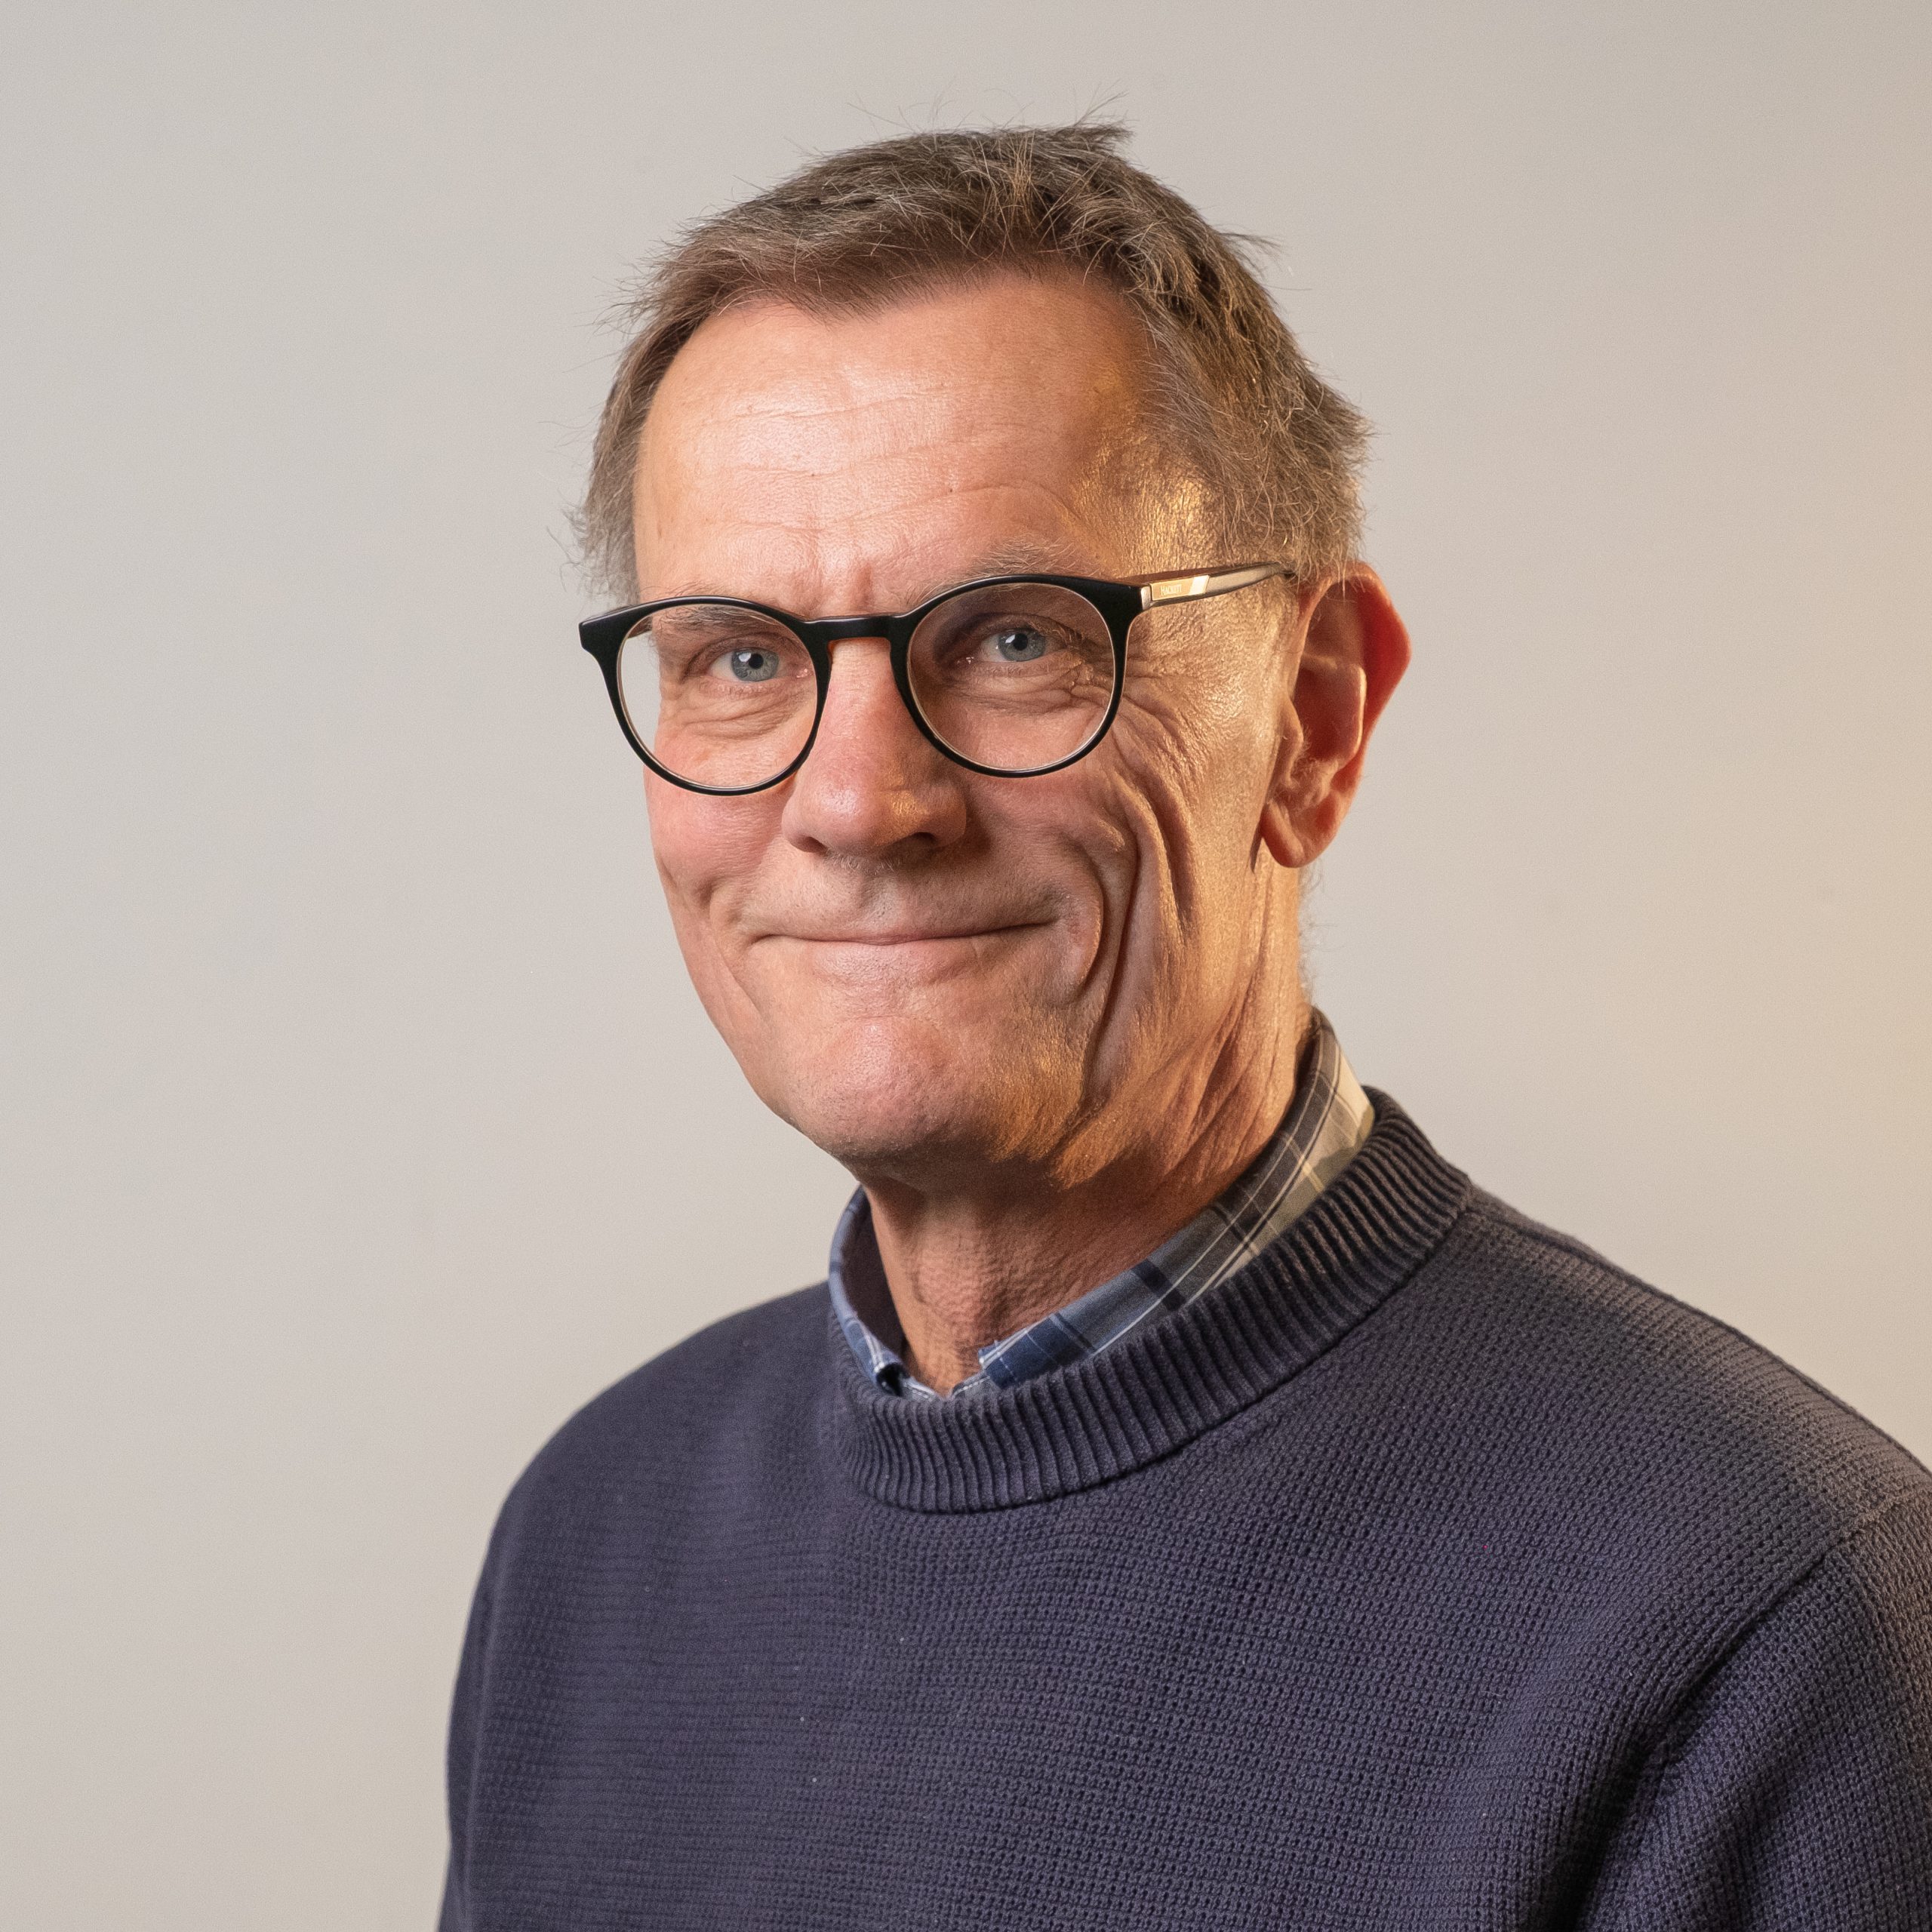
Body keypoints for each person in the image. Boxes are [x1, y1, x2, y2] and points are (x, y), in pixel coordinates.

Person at [439, 124, 1932, 1929]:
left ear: (1312, 719)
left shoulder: (1760, 1628)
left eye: (1012, 638)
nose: (857, 801)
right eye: (740, 657)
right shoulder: (595, 1540)